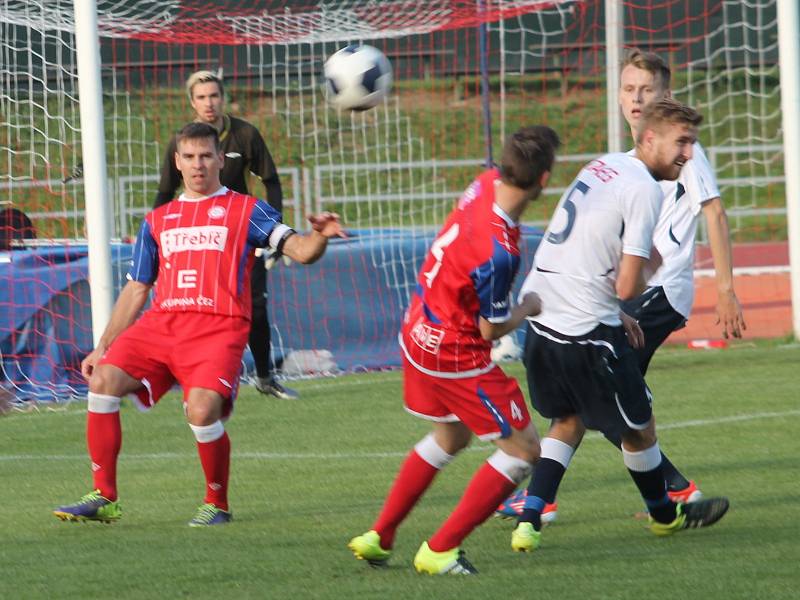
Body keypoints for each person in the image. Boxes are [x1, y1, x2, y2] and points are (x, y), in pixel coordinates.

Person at [497, 49, 746, 521]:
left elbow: (712, 209)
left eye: (647, 90)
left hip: (659, 289)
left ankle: (672, 494)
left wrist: (726, 288)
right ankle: (545, 501)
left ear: (663, 97)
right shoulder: (625, 163)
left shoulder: (681, 152)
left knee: (612, 405)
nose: (636, 98)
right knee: (590, 402)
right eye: (629, 89)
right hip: (621, 296)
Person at [53, 123, 344, 526]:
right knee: (102, 380)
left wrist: (321, 235)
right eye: (189, 157)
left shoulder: (247, 210)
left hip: (218, 328)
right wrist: (102, 346)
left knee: (202, 410)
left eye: (206, 156)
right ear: (177, 162)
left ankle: (216, 504)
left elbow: (301, 250)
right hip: (162, 325)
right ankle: (104, 496)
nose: (198, 165)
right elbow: (138, 288)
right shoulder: (158, 220)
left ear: (220, 160)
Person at [348, 126, 560, 575]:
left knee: (451, 436)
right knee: (524, 450)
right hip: (455, 353)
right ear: (544, 180)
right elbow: (490, 329)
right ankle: (440, 549)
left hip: (417, 330)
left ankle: (379, 536)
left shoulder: (482, 184)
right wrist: (528, 307)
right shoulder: (500, 251)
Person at [154, 70, 297, 400]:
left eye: (214, 95)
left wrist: (273, 234)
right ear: (192, 102)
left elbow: (271, 181)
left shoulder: (245, 134)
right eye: (201, 97)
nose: (209, 103)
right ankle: (192, 378)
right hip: (196, 241)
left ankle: (264, 377)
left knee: (256, 308)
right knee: (191, 310)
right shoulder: (182, 142)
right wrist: (156, 236)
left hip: (242, 238)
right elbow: (165, 192)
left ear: (224, 98)